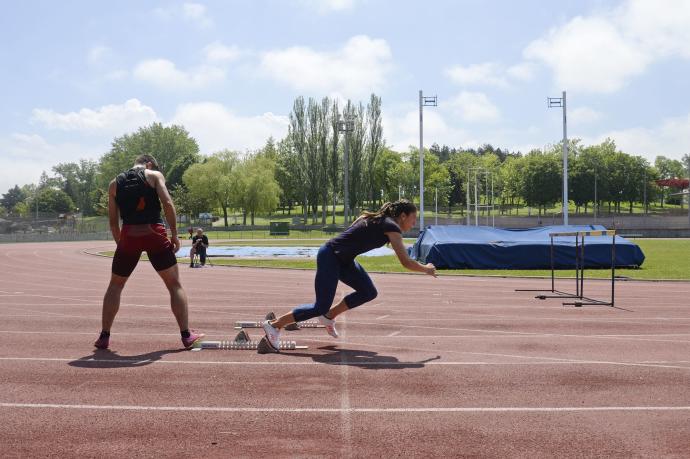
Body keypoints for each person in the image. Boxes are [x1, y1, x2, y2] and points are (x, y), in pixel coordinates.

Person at [262, 199, 436, 350]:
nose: (414, 224)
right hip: (330, 256)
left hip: (344, 260)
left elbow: (355, 229)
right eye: (413, 219)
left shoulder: (375, 219)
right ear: (403, 216)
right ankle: (274, 326)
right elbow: (405, 262)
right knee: (320, 306)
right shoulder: (391, 227)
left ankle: (329, 316)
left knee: (368, 292)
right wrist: (426, 269)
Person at [94, 154, 204, 350]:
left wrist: (122, 243)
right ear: (149, 163)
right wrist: (175, 235)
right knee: (174, 285)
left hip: (129, 234)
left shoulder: (114, 184)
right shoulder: (154, 175)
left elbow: (112, 221)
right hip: (155, 232)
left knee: (115, 285)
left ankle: (104, 336)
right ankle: (186, 335)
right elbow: (168, 204)